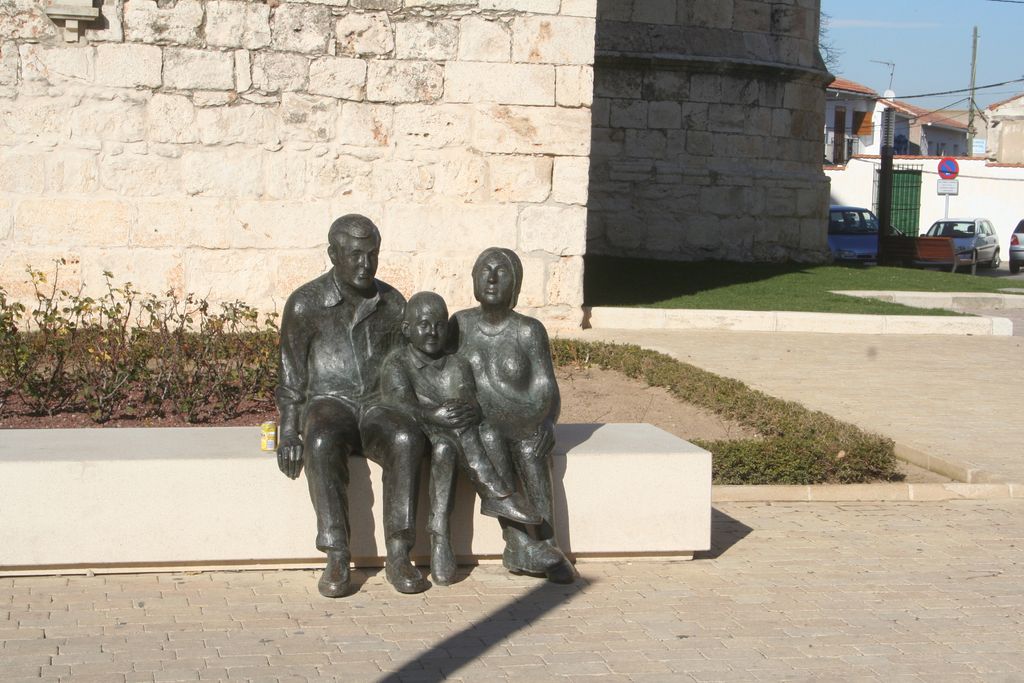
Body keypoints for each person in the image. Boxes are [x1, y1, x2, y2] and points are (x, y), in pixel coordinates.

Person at [275, 214, 429, 598]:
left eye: (372, 254)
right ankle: (337, 553)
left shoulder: (393, 303)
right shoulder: (305, 304)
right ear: (333, 255)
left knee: (407, 439)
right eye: (355, 255)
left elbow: (412, 366)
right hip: (330, 403)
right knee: (321, 440)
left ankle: (399, 552)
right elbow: (291, 377)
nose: (365, 264)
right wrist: (289, 431)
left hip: (379, 405)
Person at [380, 291, 542, 585]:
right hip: (415, 437)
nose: (432, 332)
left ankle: (440, 533)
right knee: (451, 436)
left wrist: (458, 411)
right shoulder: (397, 363)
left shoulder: (457, 364)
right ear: (407, 329)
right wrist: (434, 415)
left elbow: (469, 402)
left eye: (440, 325)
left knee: (456, 441)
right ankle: (497, 494)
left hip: (448, 441)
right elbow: (401, 405)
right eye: (424, 324)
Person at [449, 247, 576, 584]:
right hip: (480, 425)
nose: (492, 278)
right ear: (474, 280)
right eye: (485, 269)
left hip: (522, 422)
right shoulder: (459, 325)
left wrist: (547, 422)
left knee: (533, 451)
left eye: (501, 271)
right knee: (489, 437)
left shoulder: (528, 330)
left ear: (515, 284)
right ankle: (519, 543)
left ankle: (548, 544)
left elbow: (547, 389)